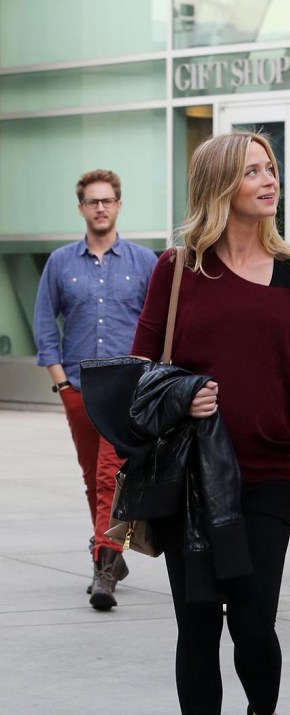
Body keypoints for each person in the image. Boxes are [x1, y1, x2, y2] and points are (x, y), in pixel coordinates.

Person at [131, 132, 290, 715]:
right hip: (193, 476)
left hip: (268, 472)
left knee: (253, 623)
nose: (268, 179)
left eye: (271, 168)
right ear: (220, 183)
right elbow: (139, 370)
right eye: (252, 169)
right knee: (198, 623)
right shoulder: (178, 268)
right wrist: (182, 396)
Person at [33, 169, 157, 610]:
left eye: (108, 200)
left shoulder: (144, 262)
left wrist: (150, 379)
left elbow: (157, 323)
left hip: (126, 391)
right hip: (79, 391)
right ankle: (109, 556)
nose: (100, 207)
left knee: (112, 477)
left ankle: (106, 564)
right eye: (92, 201)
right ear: (82, 208)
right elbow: (45, 324)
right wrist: (61, 382)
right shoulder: (61, 263)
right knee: (93, 478)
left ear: (119, 205)